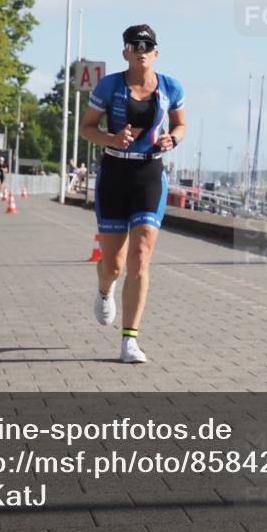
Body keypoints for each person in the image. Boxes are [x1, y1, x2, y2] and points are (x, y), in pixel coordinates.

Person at [79, 24, 186, 363]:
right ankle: (103, 289)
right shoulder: (110, 85)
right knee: (113, 264)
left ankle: (129, 341)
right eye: (134, 44)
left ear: (156, 53)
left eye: (148, 45)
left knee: (141, 257)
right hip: (114, 173)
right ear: (125, 52)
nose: (141, 49)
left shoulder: (170, 86)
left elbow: (180, 124)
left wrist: (174, 139)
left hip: (149, 173)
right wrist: (110, 139)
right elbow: (86, 128)